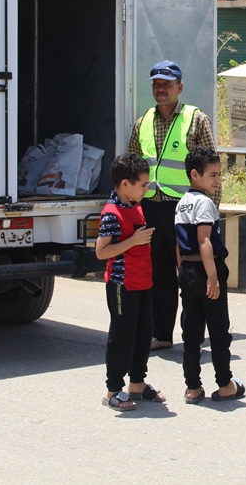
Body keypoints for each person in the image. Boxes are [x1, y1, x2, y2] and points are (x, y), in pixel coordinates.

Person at [128, 60, 218, 352]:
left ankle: (194, 334)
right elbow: (133, 165)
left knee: (191, 275)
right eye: (156, 83)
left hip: (186, 210)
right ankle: (161, 334)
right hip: (151, 209)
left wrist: (211, 213)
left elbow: (212, 168)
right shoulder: (143, 122)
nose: (161, 88)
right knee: (159, 274)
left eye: (167, 84)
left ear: (180, 87)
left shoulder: (196, 120)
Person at [174, 145, 244, 404]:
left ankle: (192, 387)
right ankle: (225, 384)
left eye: (219, 175)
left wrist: (182, 272)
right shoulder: (204, 203)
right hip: (206, 271)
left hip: (188, 271)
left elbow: (178, 245)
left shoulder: (182, 203)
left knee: (191, 332)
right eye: (212, 175)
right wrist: (212, 277)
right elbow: (205, 241)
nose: (217, 180)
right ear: (195, 175)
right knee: (218, 330)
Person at [95, 153, 164, 411]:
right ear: (125, 184)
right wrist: (133, 241)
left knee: (143, 333)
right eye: (143, 185)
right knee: (122, 335)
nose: (147, 189)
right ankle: (113, 389)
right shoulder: (111, 214)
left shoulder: (135, 205)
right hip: (122, 284)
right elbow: (101, 251)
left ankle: (137, 383)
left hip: (143, 281)